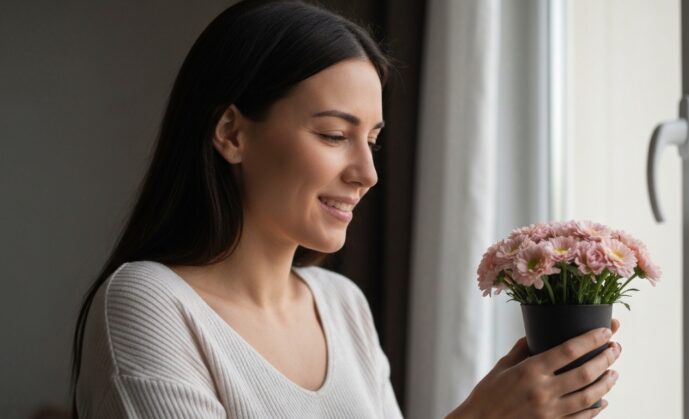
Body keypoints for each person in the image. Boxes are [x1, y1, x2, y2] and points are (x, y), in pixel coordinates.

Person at [70, 1, 622, 418]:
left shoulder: (342, 304)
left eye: (373, 140)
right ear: (231, 133)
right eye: (335, 134)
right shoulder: (149, 303)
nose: (367, 173)